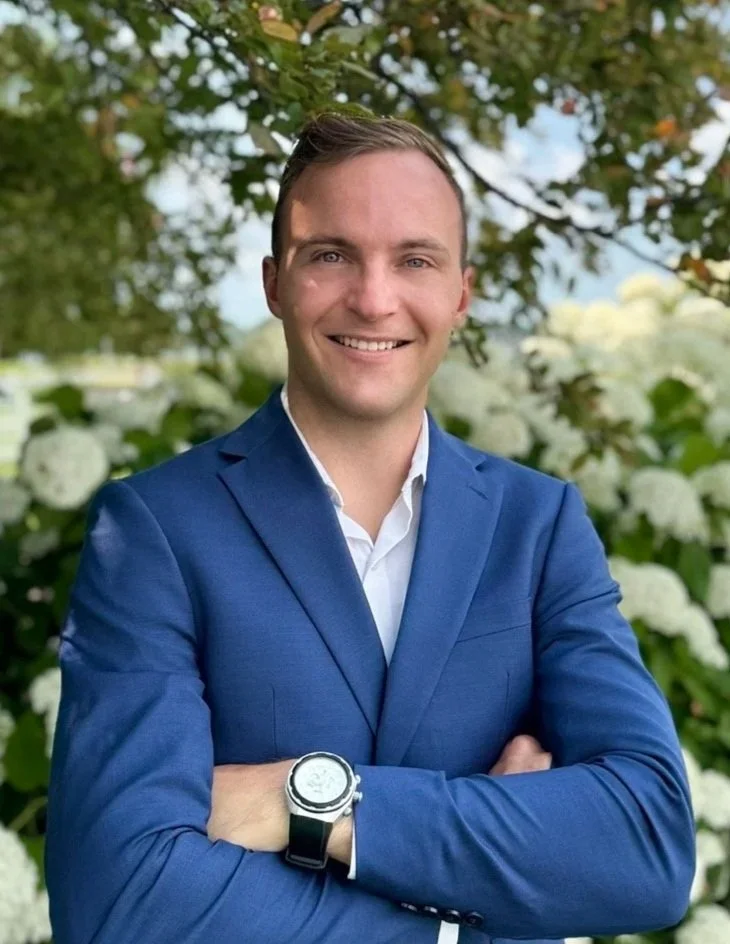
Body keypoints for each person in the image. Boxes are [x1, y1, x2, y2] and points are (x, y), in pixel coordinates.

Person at [45, 112, 695, 944]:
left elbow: (647, 846)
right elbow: (120, 901)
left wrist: (303, 801)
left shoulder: (537, 527)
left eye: (415, 260)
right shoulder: (156, 530)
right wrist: (463, 925)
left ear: (461, 291)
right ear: (275, 282)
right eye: (331, 256)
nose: (375, 298)